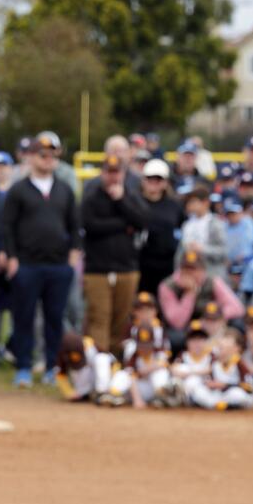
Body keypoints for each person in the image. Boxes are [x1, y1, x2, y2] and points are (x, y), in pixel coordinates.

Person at [0, 130, 79, 387]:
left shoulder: (64, 189)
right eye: (42, 154)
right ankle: (23, 366)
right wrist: (12, 257)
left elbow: (74, 226)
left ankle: (51, 366)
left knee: (54, 318)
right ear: (32, 157)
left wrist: (73, 256)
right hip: (27, 264)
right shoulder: (19, 190)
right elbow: (7, 226)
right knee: (23, 317)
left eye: (51, 154)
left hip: (57, 265)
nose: (47, 159)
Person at [81, 152, 148, 357]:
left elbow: (142, 221)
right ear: (102, 173)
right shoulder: (91, 196)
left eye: (116, 172)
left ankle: (115, 362)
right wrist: (122, 225)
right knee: (99, 317)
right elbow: (90, 226)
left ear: (123, 173)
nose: (112, 177)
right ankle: (99, 363)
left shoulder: (131, 195)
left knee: (121, 319)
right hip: (97, 269)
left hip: (126, 268)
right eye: (109, 172)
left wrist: (121, 202)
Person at [157, 249, 244, 351]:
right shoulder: (167, 286)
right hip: (185, 329)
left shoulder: (212, 281)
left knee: (238, 324)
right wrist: (190, 293)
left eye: (194, 269)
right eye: (186, 268)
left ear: (203, 270)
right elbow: (177, 323)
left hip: (211, 324)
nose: (190, 273)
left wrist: (214, 318)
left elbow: (238, 308)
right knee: (175, 338)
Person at [136, 158, 182, 296]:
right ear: (143, 180)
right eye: (150, 178)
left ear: (166, 182)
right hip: (140, 263)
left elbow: (182, 228)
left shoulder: (174, 206)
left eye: (158, 179)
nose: (154, 182)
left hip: (167, 265)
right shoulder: (134, 202)